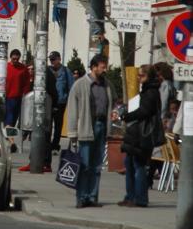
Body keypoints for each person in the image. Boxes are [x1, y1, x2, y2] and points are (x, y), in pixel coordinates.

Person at [67, 54, 114, 209]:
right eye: (102, 67)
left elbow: (111, 104)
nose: (105, 69)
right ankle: (81, 197)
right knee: (85, 165)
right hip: (86, 127)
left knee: (97, 166)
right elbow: (72, 110)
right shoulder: (80, 84)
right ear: (93, 67)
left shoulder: (106, 85)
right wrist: (72, 133)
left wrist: (109, 127)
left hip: (101, 126)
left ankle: (92, 197)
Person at [119, 64, 162, 208]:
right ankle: (130, 196)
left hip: (143, 134)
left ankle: (140, 198)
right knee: (130, 164)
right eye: (138, 75)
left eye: (141, 75)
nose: (139, 78)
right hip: (137, 133)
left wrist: (127, 116)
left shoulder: (151, 92)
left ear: (148, 76)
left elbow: (144, 111)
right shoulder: (147, 90)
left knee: (138, 165)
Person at [48, 51, 75, 153]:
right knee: (48, 124)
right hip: (49, 101)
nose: (52, 61)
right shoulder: (48, 70)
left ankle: (55, 145)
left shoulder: (65, 71)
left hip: (60, 102)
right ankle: (47, 144)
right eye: (51, 60)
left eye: (54, 59)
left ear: (59, 59)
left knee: (58, 124)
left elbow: (71, 87)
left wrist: (69, 99)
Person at [4, 49, 31, 127]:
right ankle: (7, 134)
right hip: (5, 96)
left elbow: (27, 83)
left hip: (17, 97)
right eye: (14, 59)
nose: (15, 61)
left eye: (17, 59)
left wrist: (25, 95)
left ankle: (9, 134)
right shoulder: (6, 67)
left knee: (13, 117)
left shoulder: (23, 68)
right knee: (7, 117)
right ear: (10, 57)